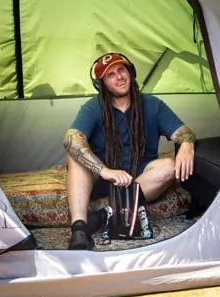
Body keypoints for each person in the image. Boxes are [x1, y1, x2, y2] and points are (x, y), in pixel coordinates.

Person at [63, 52, 196, 250]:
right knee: (74, 154)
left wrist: (187, 144)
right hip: (102, 178)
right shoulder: (93, 107)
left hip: (138, 180)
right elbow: (70, 139)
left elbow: (183, 132)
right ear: (102, 84)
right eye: (110, 74)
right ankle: (80, 229)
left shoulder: (153, 105)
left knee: (169, 166)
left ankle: (103, 212)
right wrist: (105, 171)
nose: (119, 76)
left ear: (130, 72)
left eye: (122, 70)